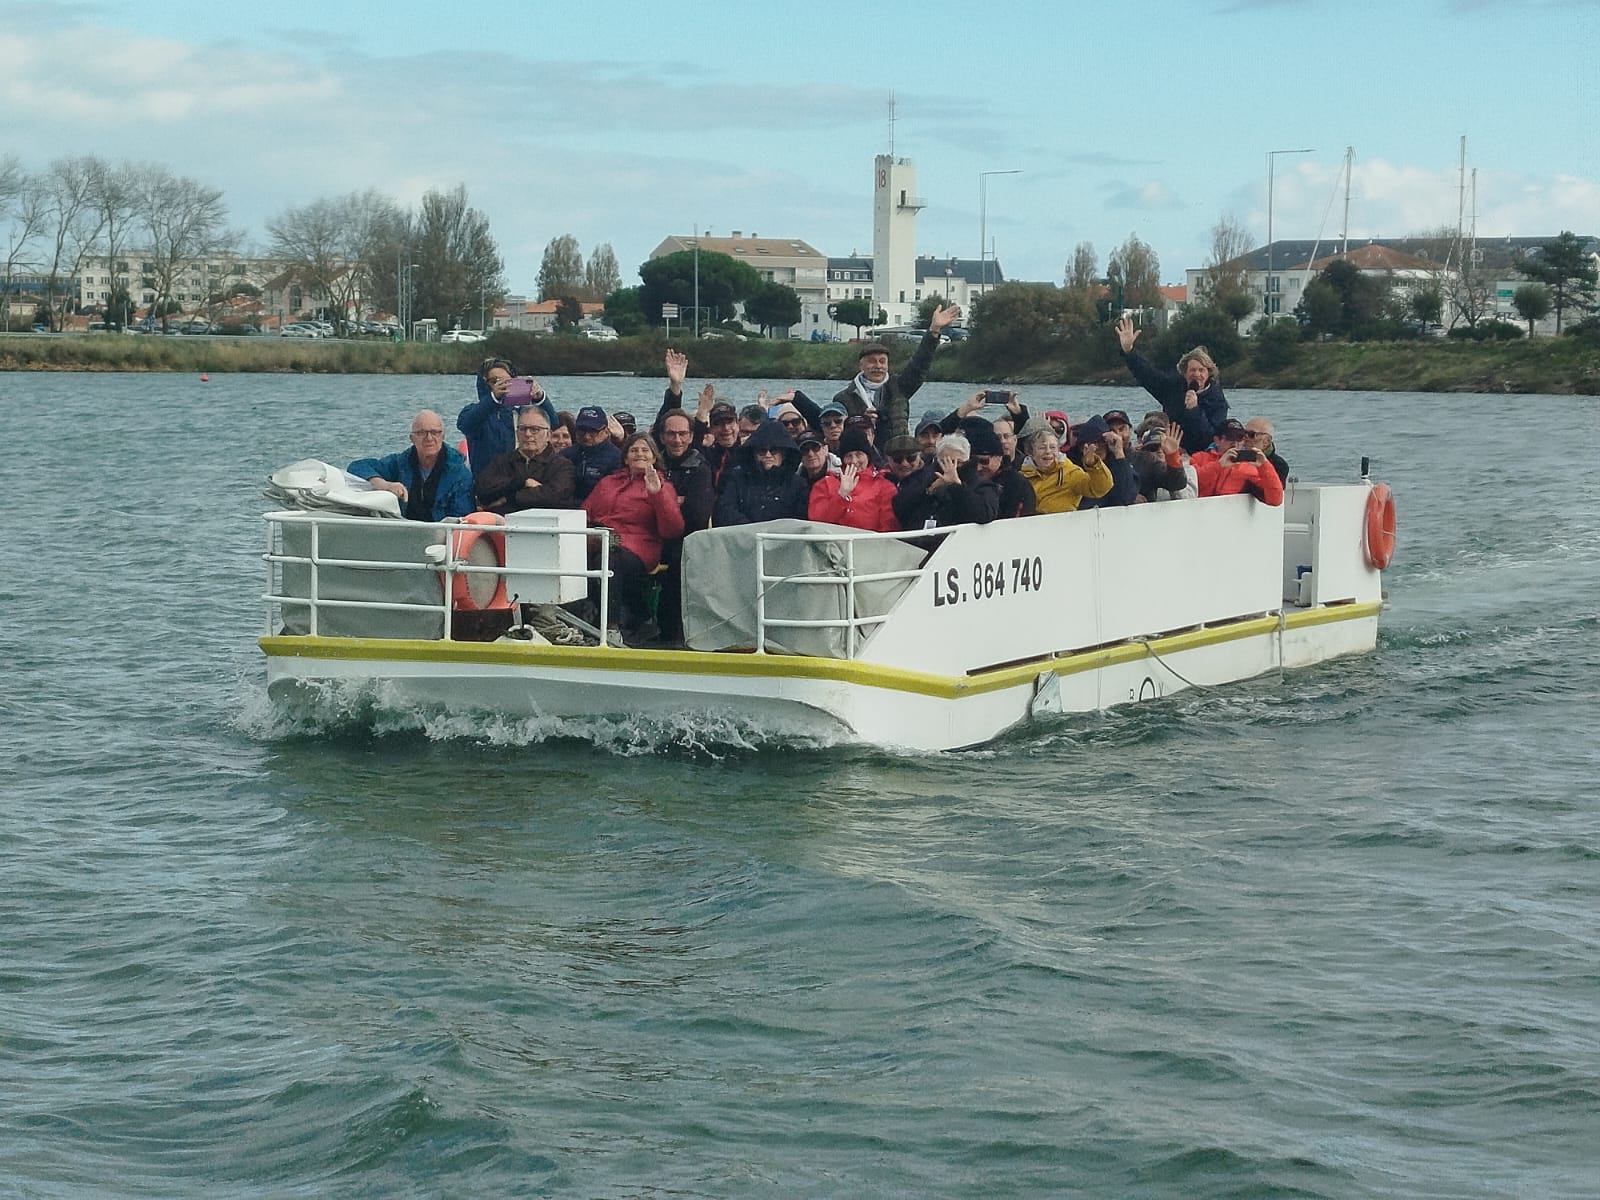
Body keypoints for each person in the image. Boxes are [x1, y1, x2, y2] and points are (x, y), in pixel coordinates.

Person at [581, 433, 684, 642]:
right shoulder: (607, 482)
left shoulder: (663, 486)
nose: (639, 454)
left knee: (610, 560)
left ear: (654, 457)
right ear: (625, 457)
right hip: (598, 540)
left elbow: (672, 529)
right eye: (634, 450)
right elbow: (584, 512)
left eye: (645, 450)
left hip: (639, 547)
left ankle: (610, 626)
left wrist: (657, 494)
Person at [831, 302, 961, 439]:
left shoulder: (900, 387)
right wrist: (862, 421)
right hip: (862, 455)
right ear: (861, 365)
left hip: (898, 454)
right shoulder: (844, 398)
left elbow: (919, 365)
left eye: (882, 361)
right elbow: (837, 432)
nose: (878, 366)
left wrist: (934, 331)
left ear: (888, 365)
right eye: (871, 361)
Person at [1114, 315, 1228, 453]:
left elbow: (1210, 437)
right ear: (1184, 372)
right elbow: (1148, 374)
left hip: (1200, 456)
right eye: (1192, 370)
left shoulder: (1217, 400)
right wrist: (1129, 351)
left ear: (1209, 373)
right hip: (1168, 452)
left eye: (1201, 370)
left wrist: (1194, 410)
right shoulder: (1173, 388)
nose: (1197, 374)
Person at [654, 409, 714, 645]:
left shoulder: (700, 468)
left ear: (691, 436)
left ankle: (675, 634)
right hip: (651, 534)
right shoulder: (652, 462)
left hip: (687, 539)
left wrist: (662, 500)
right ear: (661, 436)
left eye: (682, 434)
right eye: (671, 434)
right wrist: (676, 499)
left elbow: (698, 516)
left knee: (680, 562)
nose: (677, 440)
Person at [348, 409, 474, 521]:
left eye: (434, 432)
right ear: (412, 438)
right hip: (405, 533)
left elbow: (460, 518)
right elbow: (357, 466)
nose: (429, 438)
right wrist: (385, 485)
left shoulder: (460, 474)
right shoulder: (400, 464)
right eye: (422, 433)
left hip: (441, 538)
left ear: (442, 436)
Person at [456, 357, 556, 482]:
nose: (502, 386)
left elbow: (553, 424)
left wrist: (540, 398)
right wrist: (494, 399)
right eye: (495, 381)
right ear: (484, 384)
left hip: (521, 485)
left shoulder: (521, 414)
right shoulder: (475, 413)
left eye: (507, 381)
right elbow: (466, 424)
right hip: (488, 486)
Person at [474, 407, 577, 514]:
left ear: (548, 435)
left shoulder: (562, 465)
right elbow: (483, 488)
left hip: (544, 524)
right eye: (523, 429)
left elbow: (555, 497)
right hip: (502, 523)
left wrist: (508, 498)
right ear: (517, 433)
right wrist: (521, 482)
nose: (528, 434)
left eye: (535, 429)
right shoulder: (501, 461)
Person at [891, 433, 999, 529]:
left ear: (966, 460)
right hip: (923, 542)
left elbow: (985, 515)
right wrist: (928, 491)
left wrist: (956, 487)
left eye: (956, 462)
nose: (950, 467)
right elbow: (899, 506)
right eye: (945, 462)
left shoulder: (982, 485)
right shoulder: (924, 478)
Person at [713, 419, 809, 526]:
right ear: (754, 454)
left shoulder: (798, 484)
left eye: (774, 450)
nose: (768, 455)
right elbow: (726, 510)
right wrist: (753, 531)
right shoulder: (737, 478)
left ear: (784, 453)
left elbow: (800, 521)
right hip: (743, 536)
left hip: (783, 539)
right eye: (762, 451)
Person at [807, 428, 899, 532]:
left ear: (868, 456)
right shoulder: (824, 484)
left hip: (871, 545)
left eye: (859, 454)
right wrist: (841, 495)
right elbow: (817, 524)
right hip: (832, 545)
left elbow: (889, 527)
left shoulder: (885, 486)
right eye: (848, 456)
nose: (854, 461)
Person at [1018, 419, 1111, 513]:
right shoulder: (1021, 477)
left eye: (1053, 447)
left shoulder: (1070, 473)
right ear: (1030, 451)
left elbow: (1100, 488)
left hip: (1063, 525)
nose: (1048, 452)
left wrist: (1093, 465)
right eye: (1042, 448)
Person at [1192, 418, 1284, 505]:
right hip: (1197, 514)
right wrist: (1218, 466)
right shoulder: (1199, 458)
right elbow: (1191, 485)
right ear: (1217, 440)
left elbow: (1275, 499)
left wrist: (1264, 465)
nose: (1235, 444)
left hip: (1230, 517)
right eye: (1230, 438)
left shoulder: (1248, 468)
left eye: (1239, 438)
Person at [963, 420, 1035, 519]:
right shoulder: (964, 476)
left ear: (999, 458)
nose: (978, 467)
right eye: (973, 462)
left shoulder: (1016, 483)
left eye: (984, 461)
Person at [1073, 416, 1137, 509]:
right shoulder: (1072, 467)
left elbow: (1126, 497)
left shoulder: (1117, 465)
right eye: (1092, 443)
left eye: (1102, 442)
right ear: (1082, 447)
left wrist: (1119, 453)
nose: (1097, 447)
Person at [562, 405, 623, 502]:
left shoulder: (616, 458)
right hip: (566, 508)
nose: (587, 436)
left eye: (592, 431)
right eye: (582, 430)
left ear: (606, 431)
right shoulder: (565, 455)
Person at [1131, 419, 1196, 502]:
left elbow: (1187, 500)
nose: (1159, 451)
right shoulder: (1140, 471)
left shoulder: (1188, 470)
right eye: (1153, 448)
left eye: (1163, 446)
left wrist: (1172, 460)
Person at [1245, 416, 1290, 484]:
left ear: (1266, 441)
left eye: (1251, 434)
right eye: (1243, 433)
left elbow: (1274, 491)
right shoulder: (1235, 457)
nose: (1246, 438)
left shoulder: (1279, 465)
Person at [795, 429, 838, 496]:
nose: (810, 454)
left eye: (815, 448)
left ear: (825, 449)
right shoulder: (795, 483)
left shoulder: (841, 475)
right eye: (804, 450)